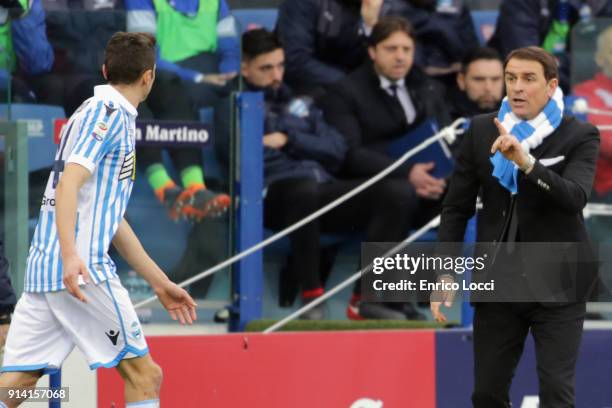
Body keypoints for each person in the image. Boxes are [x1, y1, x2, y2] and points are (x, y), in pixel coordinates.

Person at [0, 32, 197, 408]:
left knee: (17, 382)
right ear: (149, 77)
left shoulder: (85, 113)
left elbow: (109, 216)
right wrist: (73, 256)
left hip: (48, 271)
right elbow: (70, 182)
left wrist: (159, 281)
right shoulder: (108, 116)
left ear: (105, 70)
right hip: (81, 271)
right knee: (146, 375)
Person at [431, 46, 600, 407]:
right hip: (499, 279)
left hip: (560, 281)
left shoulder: (580, 134)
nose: (517, 87)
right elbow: (456, 208)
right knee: (486, 394)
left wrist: (526, 163)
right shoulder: (480, 131)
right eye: (511, 79)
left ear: (552, 85)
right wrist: (445, 272)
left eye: (528, 79)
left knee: (556, 392)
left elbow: (574, 198)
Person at [237, 28, 421, 320]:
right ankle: (312, 299)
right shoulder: (234, 105)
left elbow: (336, 149)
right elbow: (248, 155)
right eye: (266, 68)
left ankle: (365, 299)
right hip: (271, 196)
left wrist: (289, 139)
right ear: (244, 67)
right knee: (302, 189)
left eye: (281, 65)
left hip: (322, 189)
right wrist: (307, 146)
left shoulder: (300, 102)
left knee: (396, 191)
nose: (277, 75)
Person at [320, 16, 449, 319]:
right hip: (355, 191)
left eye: (407, 48)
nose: (401, 56)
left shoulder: (424, 86)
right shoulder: (345, 92)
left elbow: (444, 137)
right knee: (398, 192)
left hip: (414, 185)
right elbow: (350, 156)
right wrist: (409, 173)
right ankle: (367, 296)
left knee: (462, 193)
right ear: (372, 51)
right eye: (391, 48)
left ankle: (410, 295)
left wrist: (437, 178)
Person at [488, 0, 612, 91]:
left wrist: (560, 63)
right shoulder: (521, 3)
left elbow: (600, 57)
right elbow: (525, 60)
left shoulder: (602, 4)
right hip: (523, 90)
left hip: (582, 86)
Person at [275, 0, 386, 95]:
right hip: (301, 87)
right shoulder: (301, 3)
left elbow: (363, 62)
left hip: (346, 86)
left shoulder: (375, 7)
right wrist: (348, 83)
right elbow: (295, 59)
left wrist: (370, 26)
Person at [448, 47, 504, 121]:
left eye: (495, 79)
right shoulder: (441, 115)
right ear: (461, 80)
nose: (488, 88)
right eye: (479, 79)